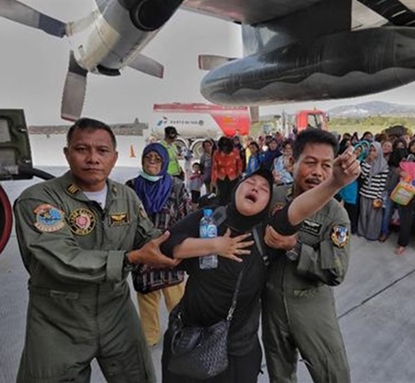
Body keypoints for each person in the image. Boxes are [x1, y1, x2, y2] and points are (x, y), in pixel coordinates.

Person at [159, 145, 360, 383]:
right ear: (236, 189)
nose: (256, 187)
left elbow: (296, 210)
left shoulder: (266, 231)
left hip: (239, 350)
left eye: (265, 188)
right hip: (189, 341)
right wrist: (215, 246)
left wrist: (334, 183)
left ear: (267, 205)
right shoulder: (210, 218)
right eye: (249, 183)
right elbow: (166, 245)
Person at [13, 118, 179, 382]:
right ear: (67, 154)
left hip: (116, 310)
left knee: (137, 376)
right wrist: (132, 258)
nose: (92, 158)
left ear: (113, 158)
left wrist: (203, 243)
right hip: (59, 317)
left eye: (102, 151)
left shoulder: (125, 196)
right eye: (82, 149)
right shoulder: (40, 200)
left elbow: (152, 237)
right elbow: (62, 259)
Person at [262, 129, 355, 383]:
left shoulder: (335, 215)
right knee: (279, 373)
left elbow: (336, 271)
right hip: (271, 306)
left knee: (333, 374)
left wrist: (294, 247)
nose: (318, 172)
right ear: (292, 162)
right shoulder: (274, 197)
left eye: (326, 165)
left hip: (311, 305)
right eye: (310, 162)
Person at [126, 143, 192, 347]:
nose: (152, 161)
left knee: (177, 302)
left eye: (157, 158)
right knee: (147, 300)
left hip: (170, 254)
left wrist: (183, 249)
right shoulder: (131, 187)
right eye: (148, 157)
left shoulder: (176, 186)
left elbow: (187, 217)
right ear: (142, 160)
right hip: (143, 254)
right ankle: (150, 338)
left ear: (164, 162)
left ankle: (182, 335)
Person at [358, 141, 390, 240]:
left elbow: (382, 183)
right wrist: (369, 162)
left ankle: (372, 234)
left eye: (374, 150)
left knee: (374, 217)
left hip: (375, 195)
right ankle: (362, 232)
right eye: (370, 150)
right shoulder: (365, 162)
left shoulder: (384, 165)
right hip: (364, 192)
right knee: (363, 214)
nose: (372, 152)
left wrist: (379, 196)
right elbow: (363, 175)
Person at [212, 136, 243, 205]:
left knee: (232, 195)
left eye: (226, 146)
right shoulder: (216, 153)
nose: (224, 148)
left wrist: (239, 172)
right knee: (222, 196)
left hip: (233, 177)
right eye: (223, 146)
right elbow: (214, 167)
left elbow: (239, 163)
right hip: (221, 177)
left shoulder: (235, 152)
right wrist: (213, 180)